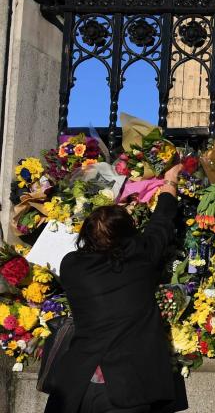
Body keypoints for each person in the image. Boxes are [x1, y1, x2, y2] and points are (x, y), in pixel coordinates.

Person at [44, 164, 189, 413]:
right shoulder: (140, 258)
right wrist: (170, 182)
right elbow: (161, 222)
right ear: (128, 235)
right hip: (126, 388)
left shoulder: (71, 266)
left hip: (75, 386)